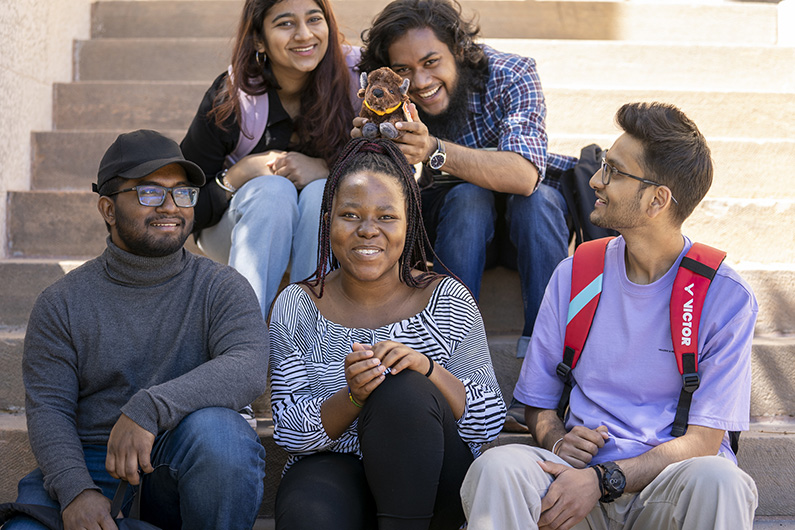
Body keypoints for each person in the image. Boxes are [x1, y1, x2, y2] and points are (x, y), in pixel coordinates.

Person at [459, 102, 759, 530]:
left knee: (720, 481)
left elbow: (704, 442)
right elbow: (537, 407)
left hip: (664, 488)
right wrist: (558, 439)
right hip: (573, 484)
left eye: (614, 171)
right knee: (498, 468)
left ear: (657, 200)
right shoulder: (577, 274)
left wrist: (603, 479)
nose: (596, 181)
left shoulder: (723, 296)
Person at [5, 130, 269, 530]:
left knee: (222, 437)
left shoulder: (221, 286)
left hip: (175, 462)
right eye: (149, 193)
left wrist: (149, 408)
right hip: (93, 465)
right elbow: (50, 409)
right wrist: (76, 490)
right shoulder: (62, 303)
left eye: (182, 192)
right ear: (108, 209)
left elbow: (248, 366)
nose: (170, 207)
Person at [269, 138, 506, 529]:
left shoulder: (447, 300)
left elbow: (488, 421)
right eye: (350, 215)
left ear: (409, 223)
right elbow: (291, 431)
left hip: (433, 481)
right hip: (336, 468)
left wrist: (429, 371)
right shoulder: (298, 305)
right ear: (328, 221)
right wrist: (353, 397)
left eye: (386, 217)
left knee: (404, 389)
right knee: (306, 513)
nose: (367, 230)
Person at [354, 0, 578, 357]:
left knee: (539, 199)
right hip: (458, 227)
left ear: (458, 50)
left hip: (529, 224)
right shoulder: (391, 93)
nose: (423, 82)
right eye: (406, 69)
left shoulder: (511, 73)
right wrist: (377, 147)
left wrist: (433, 149)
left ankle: (548, 350)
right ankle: (452, 348)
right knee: (468, 197)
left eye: (431, 62)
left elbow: (524, 175)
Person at [180, 0, 361, 318]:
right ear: (259, 39)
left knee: (322, 191)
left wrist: (327, 169)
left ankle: (310, 334)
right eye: (285, 23)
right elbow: (184, 204)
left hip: (323, 234)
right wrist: (239, 174)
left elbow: (393, 169)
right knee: (271, 191)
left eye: (314, 19)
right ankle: (242, 336)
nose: (305, 35)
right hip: (242, 230)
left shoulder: (357, 80)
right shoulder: (233, 97)